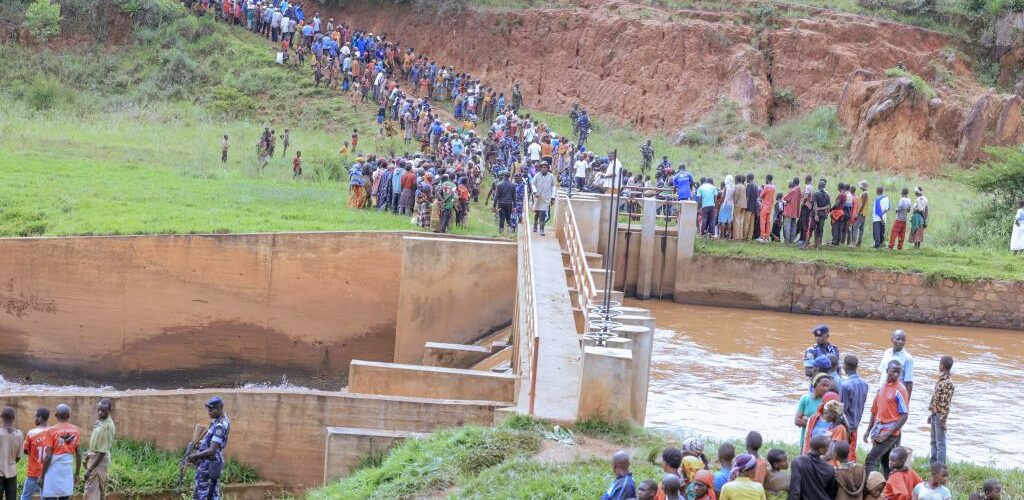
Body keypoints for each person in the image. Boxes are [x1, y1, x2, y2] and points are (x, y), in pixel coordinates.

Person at [864, 360, 910, 476]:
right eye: (893, 371)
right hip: (879, 429)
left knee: (871, 459)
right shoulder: (881, 389)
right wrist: (868, 430)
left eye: (898, 372)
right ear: (887, 371)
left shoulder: (900, 390)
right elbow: (874, 412)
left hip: (890, 433)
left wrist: (887, 433)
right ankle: (888, 487)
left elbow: (904, 415)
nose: (896, 375)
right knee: (885, 461)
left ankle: (871, 487)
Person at [188, 397, 231, 500]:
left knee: (205, 494)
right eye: (208, 409)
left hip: (209, 464)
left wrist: (194, 456)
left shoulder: (220, 426)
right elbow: (211, 442)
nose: (209, 411)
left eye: (212, 409)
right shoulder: (218, 420)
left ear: (220, 408)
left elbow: (212, 450)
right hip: (209, 463)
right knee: (209, 493)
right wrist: (199, 445)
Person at [39, 404, 81, 500]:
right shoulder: (76, 430)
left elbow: (48, 456)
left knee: (51, 496)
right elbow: (78, 454)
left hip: (54, 470)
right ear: (69, 416)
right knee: (65, 496)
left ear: (55, 415)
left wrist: (42, 476)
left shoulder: (51, 431)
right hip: (67, 470)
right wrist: (77, 473)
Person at [82, 399, 115, 500]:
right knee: (99, 492)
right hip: (94, 456)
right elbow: (97, 444)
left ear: (109, 410)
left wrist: (90, 469)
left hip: (99, 461)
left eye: (103, 410)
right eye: (99, 410)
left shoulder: (107, 426)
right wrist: (88, 454)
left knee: (90, 491)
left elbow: (102, 452)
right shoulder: (100, 421)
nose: (100, 412)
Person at [787, 435, 836, 500]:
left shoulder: (797, 462)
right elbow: (831, 493)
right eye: (828, 447)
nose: (830, 449)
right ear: (821, 450)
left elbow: (795, 490)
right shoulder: (830, 469)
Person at [839, 355, 868, 461]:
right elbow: (863, 403)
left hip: (846, 424)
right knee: (852, 449)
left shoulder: (845, 385)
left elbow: (842, 408)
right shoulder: (865, 384)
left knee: (843, 452)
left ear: (845, 366)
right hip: (856, 422)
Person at [928, 356, 954, 465]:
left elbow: (946, 403)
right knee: (933, 441)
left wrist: (943, 420)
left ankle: (940, 466)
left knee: (940, 443)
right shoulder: (941, 380)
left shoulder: (948, 383)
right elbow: (936, 398)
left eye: (940, 364)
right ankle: (933, 463)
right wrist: (931, 413)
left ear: (942, 366)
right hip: (935, 414)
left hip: (940, 416)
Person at [20, 407, 50, 500]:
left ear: (40, 418)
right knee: (45, 497)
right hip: (48, 472)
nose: (34, 419)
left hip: (33, 472)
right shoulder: (53, 432)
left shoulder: (31, 433)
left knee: (25, 497)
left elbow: (25, 451)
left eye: (35, 417)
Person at [796, 373, 830, 446]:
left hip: (821, 443)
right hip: (806, 440)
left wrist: (807, 420)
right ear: (815, 384)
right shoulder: (805, 399)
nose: (826, 388)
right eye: (823, 385)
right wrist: (816, 424)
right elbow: (797, 420)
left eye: (827, 386)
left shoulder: (827, 402)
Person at [877, 330, 914, 396]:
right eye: (898, 339)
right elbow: (882, 374)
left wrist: (906, 403)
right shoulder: (887, 352)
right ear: (892, 339)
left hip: (896, 394)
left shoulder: (908, 358)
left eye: (903, 340)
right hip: (883, 391)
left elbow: (909, 383)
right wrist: (878, 392)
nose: (900, 342)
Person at [0, 407, 22, 500]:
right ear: (13, 418)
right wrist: (10, 463)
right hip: (12, 472)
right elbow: (19, 456)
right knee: (12, 498)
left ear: (1, 416)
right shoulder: (18, 434)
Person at [532, 163, 555, 236]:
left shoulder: (551, 176)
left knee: (542, 213)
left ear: (548, 168)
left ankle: (541, 229)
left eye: (545, 167)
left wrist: (553, 197)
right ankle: (535, 226)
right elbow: (532, 184)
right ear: (540, 168)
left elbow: (553, 186)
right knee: (537, 212)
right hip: (538, 196)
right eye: (542, 167)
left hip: (546, 198)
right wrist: (535, 192)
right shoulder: (537, 175)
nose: (544, 169)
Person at [493, 170, 517, 235]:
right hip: (509, 204)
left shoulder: (499, 184)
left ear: (503, 176)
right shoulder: (513, 185)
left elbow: (496, 196)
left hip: (501, 204)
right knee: (508, 217)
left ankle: (501, 231)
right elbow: (514, 197)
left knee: (502, 217)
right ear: (509, 176)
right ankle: (509, 231)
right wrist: (514, 206)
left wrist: (494, 206)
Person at [758, 175, 775, 242]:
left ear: (767, 179)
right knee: (768, 222)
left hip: (765, 206)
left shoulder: (766, 187)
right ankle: (767, 237)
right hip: (770, 206)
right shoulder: (773, 187)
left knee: (762, 221)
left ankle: (762, 236)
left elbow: (761, 195)